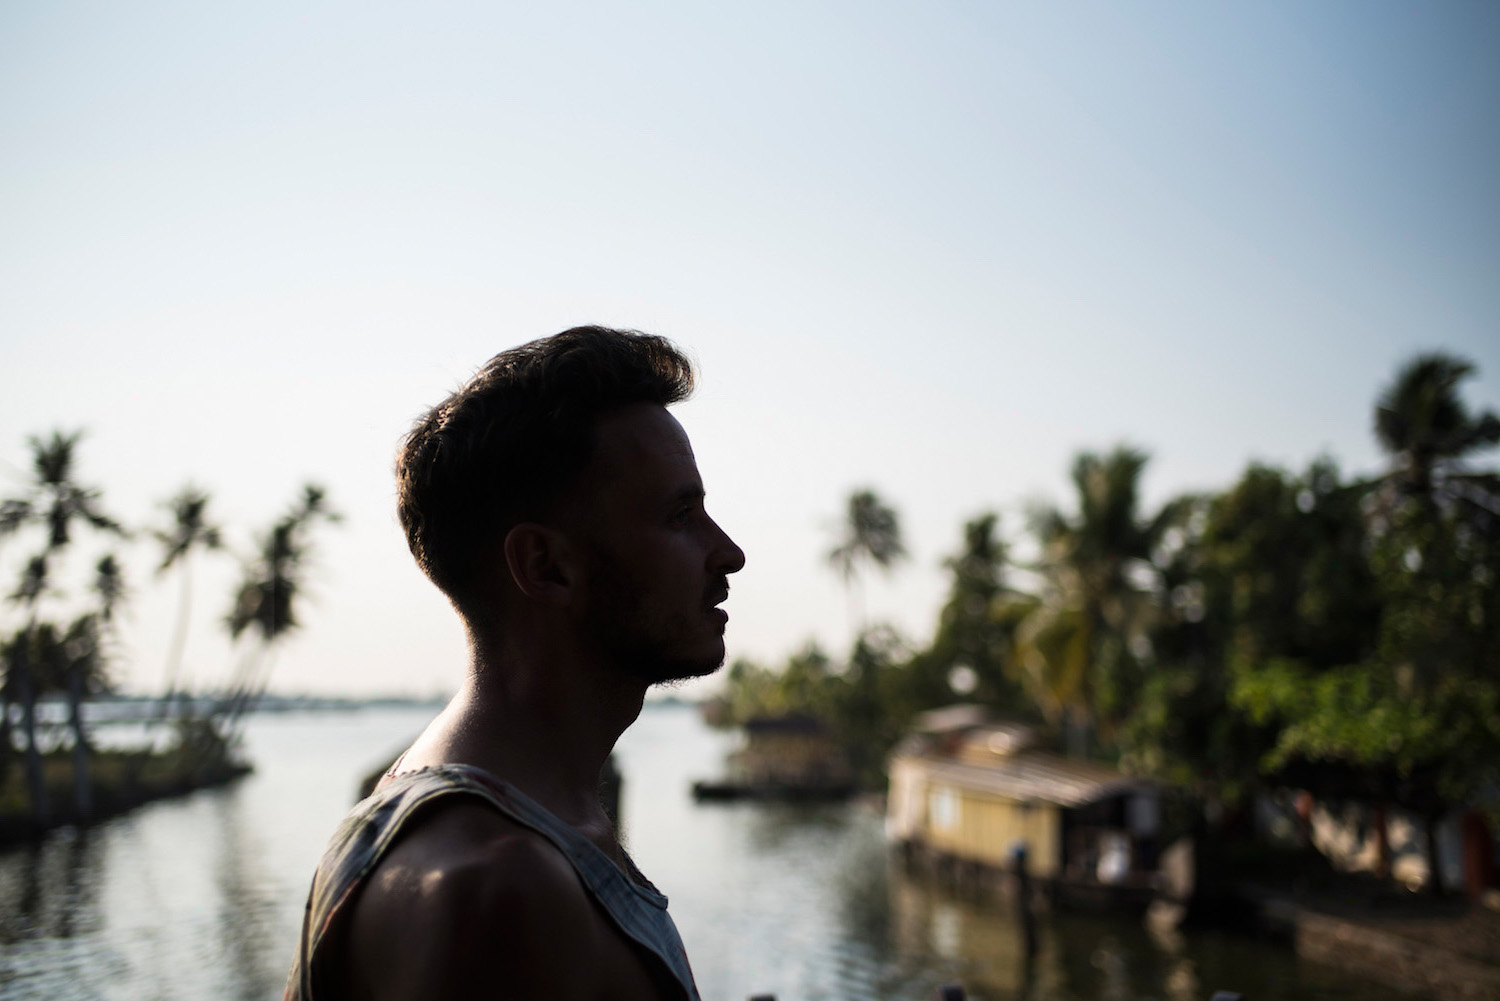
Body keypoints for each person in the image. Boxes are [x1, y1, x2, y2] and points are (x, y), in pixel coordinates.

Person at [284, 326, 745, 1001]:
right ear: (545, 565)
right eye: (680, 515)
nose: (728, 552)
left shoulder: (475, 816)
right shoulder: (500, 894)